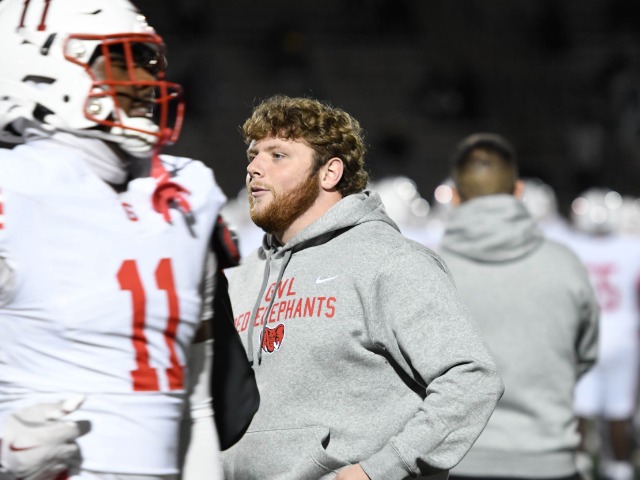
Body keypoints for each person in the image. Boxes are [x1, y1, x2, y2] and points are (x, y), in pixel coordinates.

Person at [220, 94, 505, 480]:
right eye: (253, 155)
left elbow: (472, 378)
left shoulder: (390, 261)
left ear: (329, 173)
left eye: (278, 155)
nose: (254, 168)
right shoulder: (242, 275)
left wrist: (381, 469)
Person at [0, 1, 226, 479]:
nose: (146, 82)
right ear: (38, 66)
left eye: (148, 62)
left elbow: (195, 404)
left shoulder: (187, 194)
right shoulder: (12, 189)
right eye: (122, 61)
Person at [435, 133, 600, 480]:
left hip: (456, 458)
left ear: (454, 196)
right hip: (547, 458)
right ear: (519, 191)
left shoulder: (429, 269)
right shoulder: (565, 265)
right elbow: (584, 354)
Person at [563, 188, 640, 480]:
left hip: (585, 335)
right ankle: (621, 469)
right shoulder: (632, 247)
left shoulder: (570, 245)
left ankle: (580, 468)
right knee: (619, 413)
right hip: (623, 337)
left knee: (580, 411)